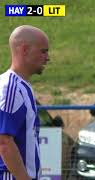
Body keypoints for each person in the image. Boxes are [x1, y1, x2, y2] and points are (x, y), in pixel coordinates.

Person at [0, 25, 49, 180]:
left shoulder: (21, 86)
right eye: (43, 51)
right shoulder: (11, 88)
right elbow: (4, 142)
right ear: (25, 50)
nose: (48, 57)